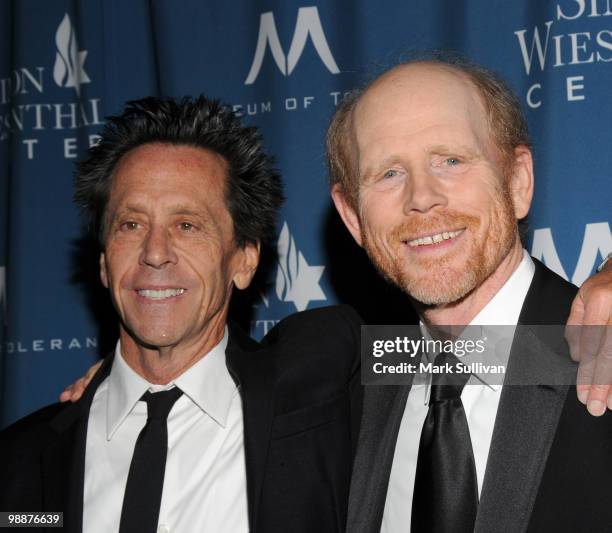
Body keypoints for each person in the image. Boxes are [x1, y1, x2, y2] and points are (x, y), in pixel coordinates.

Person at [0, 96, 361, 533]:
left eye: (187, 225)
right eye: (130, 225)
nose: (154, 253)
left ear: (244, 259)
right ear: (102, 262)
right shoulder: (21, 459)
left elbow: (462, 356)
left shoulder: (322, 382)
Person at [327, 55, 612, 532]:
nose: (421, 196)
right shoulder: (339, 390)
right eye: (388, 173)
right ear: (353, 217)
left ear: (517, 181)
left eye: (451, 160)